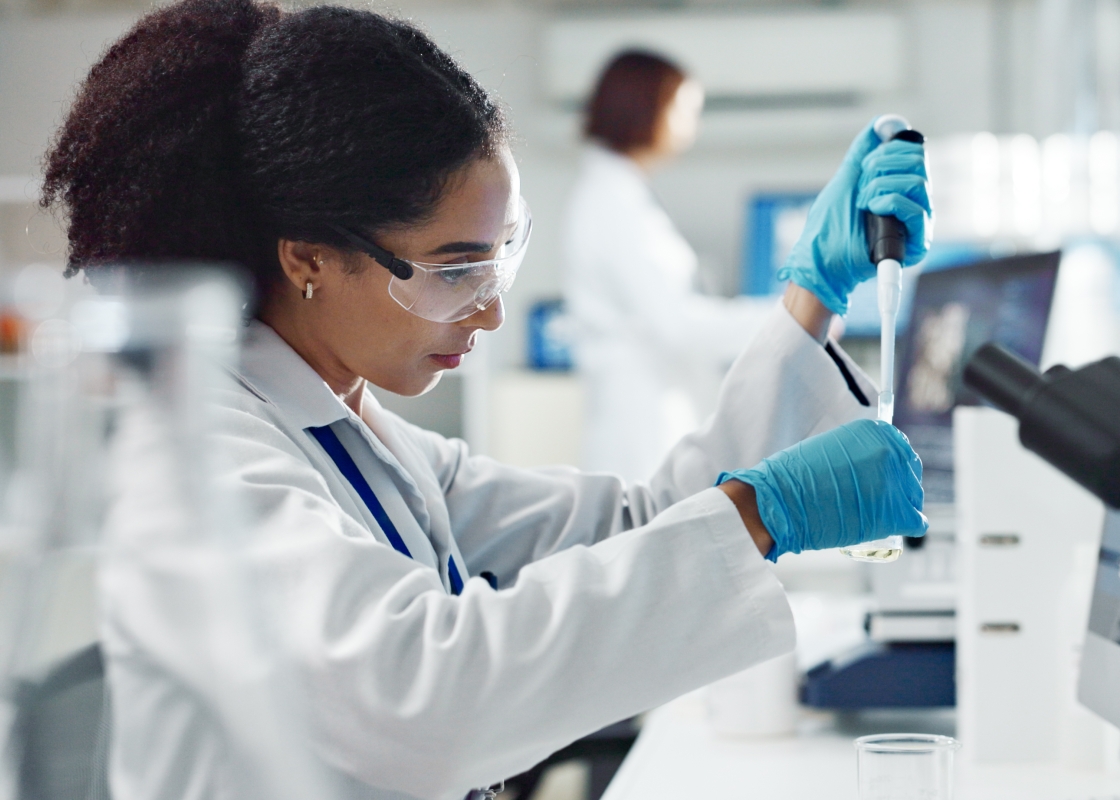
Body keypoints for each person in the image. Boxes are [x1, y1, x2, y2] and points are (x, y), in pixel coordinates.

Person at [40, 0, 932, 797]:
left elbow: (640, 520)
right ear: (307, 257)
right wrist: (756, 516)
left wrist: (811, 298)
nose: (494, 307)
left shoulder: (349, 429)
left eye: (500, 253)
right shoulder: (205, 463)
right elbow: (428, 702)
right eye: (454, 268)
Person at [564, 51, 774, 482]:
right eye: (684, 109)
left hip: (648, 406)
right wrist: (788, 314)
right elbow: (677, 326)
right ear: (645, 108)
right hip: (639, 418)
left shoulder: (621, 193)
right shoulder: (613, 201)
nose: (691, 126)